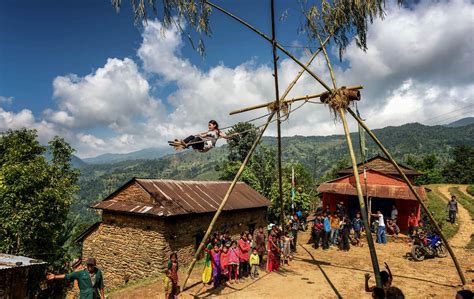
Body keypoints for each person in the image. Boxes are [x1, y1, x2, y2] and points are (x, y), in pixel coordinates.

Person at [169, 120, 233, 152]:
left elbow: (226, 137)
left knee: (197, 138)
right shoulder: (209, 132)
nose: (209, 126)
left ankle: (185, 145)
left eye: (210, 125)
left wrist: (232, 136)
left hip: (205, 147)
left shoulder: (218, 132)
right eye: (208, 125)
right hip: (200, 144)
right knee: (192, 136)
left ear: (214, 125)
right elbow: (203, 136)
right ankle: (180, 144)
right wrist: (200, 135)